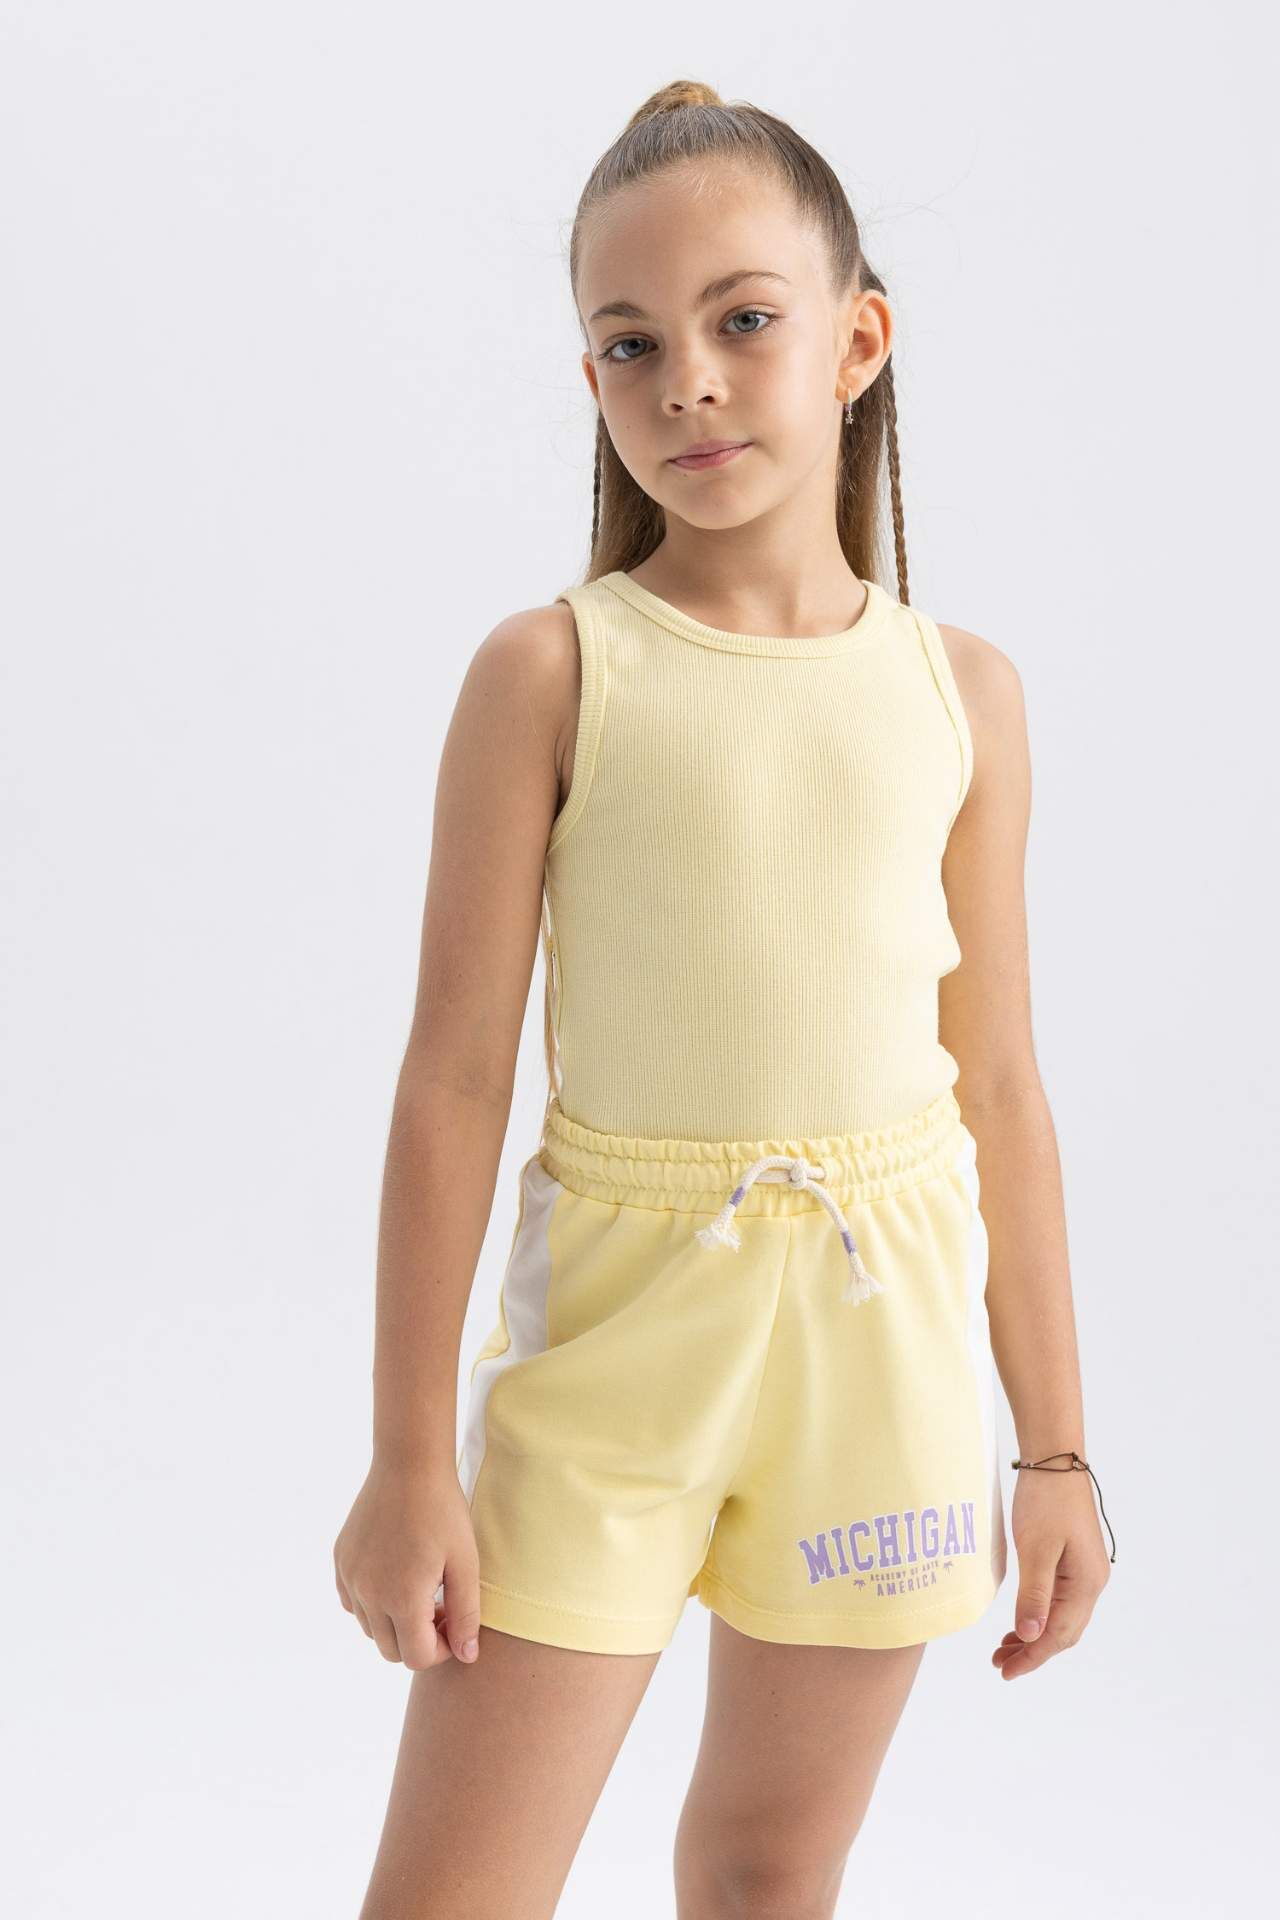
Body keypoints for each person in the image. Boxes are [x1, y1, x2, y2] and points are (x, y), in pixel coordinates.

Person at [336, 77, 1114, 1920]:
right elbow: (452, 1082)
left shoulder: (964, 694)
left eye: (742, 320)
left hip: (879, 1339)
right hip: (621, 1344)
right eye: (630, 343)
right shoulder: (551, 672)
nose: (685, 379)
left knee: (771, 1867)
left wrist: (1057, 1450)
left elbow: (1000, 1084)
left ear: (858, 342)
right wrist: (406, 1460)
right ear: (591, 380)